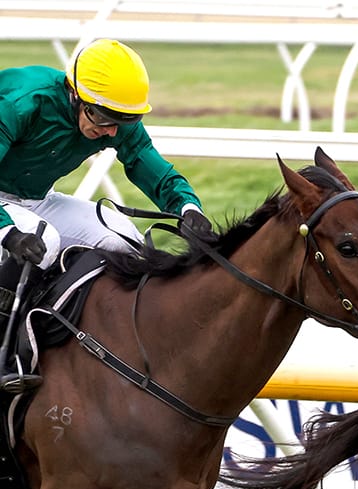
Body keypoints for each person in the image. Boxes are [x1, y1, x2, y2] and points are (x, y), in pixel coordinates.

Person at [0, 38, 215, 393]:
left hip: (36, 198)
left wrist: (187, 207)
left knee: (122, 240)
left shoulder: (109, 115)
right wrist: (8, 233)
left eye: (122, 122)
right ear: (75, 95)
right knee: (45, 243)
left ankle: (99, 344)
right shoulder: (24, 101)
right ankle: (8, 354)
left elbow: (147, 161)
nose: (111, 131)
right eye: (103, 119)